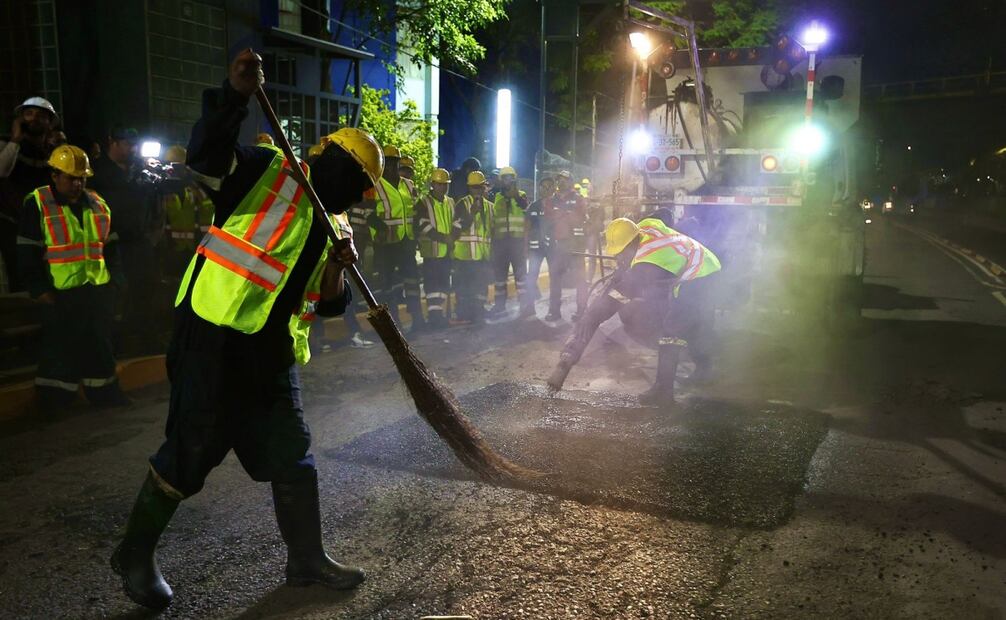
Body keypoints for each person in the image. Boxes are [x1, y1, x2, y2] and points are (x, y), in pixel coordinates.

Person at [110, 49, 380, 610]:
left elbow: (332, 304)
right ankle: (133, 554)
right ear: (339, 167)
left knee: (291, 452)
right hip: (213, 338)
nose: (362, 197)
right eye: (361, 184)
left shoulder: (335, 221)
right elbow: (206, 156)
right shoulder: (266, 171)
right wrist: (234, 96)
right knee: (191, 451)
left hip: (269, 353)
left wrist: (338, 263)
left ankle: (306, 559)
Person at [549, 216, 721, 404]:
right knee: (692, 324)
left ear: (631, 245)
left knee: (673, 326)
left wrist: (589, 318)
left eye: (620, 254)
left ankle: (663, 392)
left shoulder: (648, 264)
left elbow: (610, 304)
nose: (618, 258)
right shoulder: (643, 229)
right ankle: (705, 370)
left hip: (702, 274)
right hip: (705, 262)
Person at [15, 144, 129, 408]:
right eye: (71, 178)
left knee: (99, 345)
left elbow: (111, 246)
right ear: (54, 175)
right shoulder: (38, 202)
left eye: (82, 178)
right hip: (60, 292)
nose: (78, 183)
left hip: (96, 288)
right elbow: (27, 249)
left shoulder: (98, 203)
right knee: (60, 349)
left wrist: (116, 280)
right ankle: (54, 402)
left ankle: (105, 395)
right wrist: (38, 288)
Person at [91, 125, 165, 353]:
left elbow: (152, 203)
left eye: (135, 145)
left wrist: (153, 231)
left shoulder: (139, 170)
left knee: (146, 288)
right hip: (113, 244)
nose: (133, 149)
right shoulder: (98, 172)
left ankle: (146, 339)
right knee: (118, 294)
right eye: (128, 144)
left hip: (139, 240)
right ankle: (115, 343)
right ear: (112, 142)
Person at [0, 97, 60, 291]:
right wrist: (15, 140)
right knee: (20, 278)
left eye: (41, 116)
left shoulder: (53, 152)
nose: (34, 118)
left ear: (50, 123)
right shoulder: (6, 144)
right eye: (29, 114)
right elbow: (2, 171)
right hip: (13, 223)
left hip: (44, 224)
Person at [366, 144, 424, 330]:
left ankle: (418, 319)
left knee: (412, 281)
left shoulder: (408, 184)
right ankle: (393, 324)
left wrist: (417, 232)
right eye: (388, 162)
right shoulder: (373, 184)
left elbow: (415, 209)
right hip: (385, 244)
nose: (391, 166)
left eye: (395, 163)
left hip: (407, 241)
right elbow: (368, 213)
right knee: (387, 284)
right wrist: (381, 228)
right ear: (382, 163)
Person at [544, 170, 589, 321]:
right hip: (559, 245)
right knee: (555, 278)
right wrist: (567, 214)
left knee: (580, 279)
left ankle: (582, 311)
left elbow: (580, 217)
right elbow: (548, 217)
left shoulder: (578, 199)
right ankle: (554, 311)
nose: (561, 182)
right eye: (559, 179)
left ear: (570, 182)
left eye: (565, 179)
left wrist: (562, 215)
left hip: (576, 246)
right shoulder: (551, 200)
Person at [414, 167, 455, 328]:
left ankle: (440, 315)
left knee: (444, 284)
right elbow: (423, 225)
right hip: (431, 252)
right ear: (433, 184)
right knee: (432, 286)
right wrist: (444, 238)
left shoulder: (450, 202)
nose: (443, 187)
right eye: (440, 184)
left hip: (446, 253)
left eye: (445, 184)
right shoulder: (423, 202)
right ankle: (434, 316)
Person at [452, 170, 492, 324]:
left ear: (484, 187)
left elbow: (491, 232)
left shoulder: (490, 207)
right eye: (474, 187)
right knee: (464, 287)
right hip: (465, 256)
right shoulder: (462, 204)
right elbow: (456, 229)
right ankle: (463, 314)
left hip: (482, 256)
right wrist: (471, 214)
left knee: (481, 287)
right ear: (469, 188)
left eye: (480, 187)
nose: (477, 190)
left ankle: (479, 312)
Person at [489, 166, 527, 315]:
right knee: (500, 277)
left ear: (514, 179)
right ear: (501, 180)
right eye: (505, 178)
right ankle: (500, 305)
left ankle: (524, 304)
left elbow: (526, 208)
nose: (507, 181)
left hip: (517, 242)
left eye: (510, 178)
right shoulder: (496, 197)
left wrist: (516, 196)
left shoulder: (521, 195)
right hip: (500, 243)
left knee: (521, 276)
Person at [519, 175, 555, 318]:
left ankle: (553, 310)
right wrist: (525, 247)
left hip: (552, 249)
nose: (546, 190)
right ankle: (529, 307)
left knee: (555, 278)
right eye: (543, 187)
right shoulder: (533, 206)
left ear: (553, 188)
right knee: (531, 277)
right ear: (539, 189)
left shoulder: (558, 206)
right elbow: (526, 228)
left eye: (549, 187)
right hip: (536, 249)